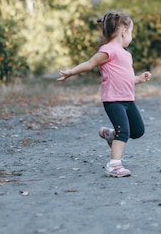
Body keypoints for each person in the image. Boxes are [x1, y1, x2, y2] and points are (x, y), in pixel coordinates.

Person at [58, 11, 152, 177]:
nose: (131, 36)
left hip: (128, 99)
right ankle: (114, 165)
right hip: (113, 100)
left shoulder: (126, 54)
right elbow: (90, 63)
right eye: (131, 32)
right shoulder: (108, 50)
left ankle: (111, 135)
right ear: (124, 32)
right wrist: (71, 72)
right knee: (124, 132)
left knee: (137, 131)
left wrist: (139, 78)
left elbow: (126, 77)